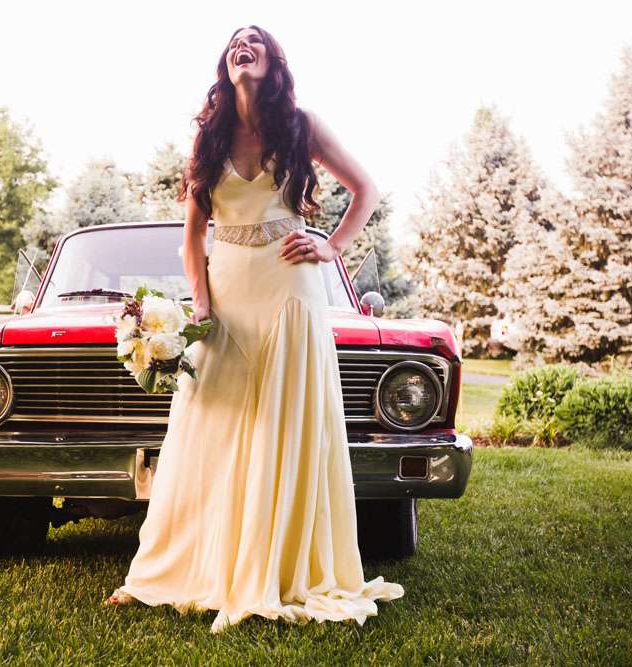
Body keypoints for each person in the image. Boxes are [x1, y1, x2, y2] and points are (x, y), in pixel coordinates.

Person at [104, 24, 404, 633]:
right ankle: (177, 567)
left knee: (284, 420)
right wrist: (200, 304)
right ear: (227, 63)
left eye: (255, 41)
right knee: (211, 423)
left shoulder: (301, 124)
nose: (243, 46)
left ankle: (281, 565)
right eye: (235, 42)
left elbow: (366, 189)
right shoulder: (209, 135)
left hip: (291, 288)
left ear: (273, 61)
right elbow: (193, 236)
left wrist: (331, 245)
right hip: (228, 293)